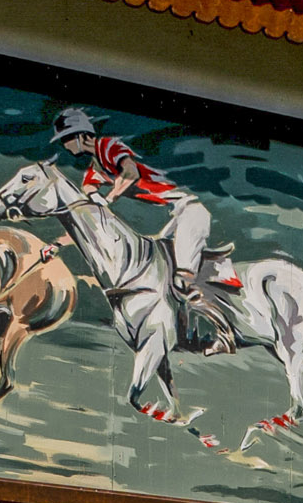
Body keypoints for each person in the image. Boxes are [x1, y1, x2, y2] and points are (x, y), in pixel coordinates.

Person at [53, 105, 234, 345]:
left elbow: (130, 173)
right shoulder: (92, 173)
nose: (65, 145)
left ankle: (225, 332)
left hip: (189, 211)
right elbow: (88, 220)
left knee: (183, 281)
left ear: (82, 136)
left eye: (66, 139)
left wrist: (109, 199)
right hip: (170, 222)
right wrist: (57, 243)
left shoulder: (108, 146)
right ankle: (184, 334)